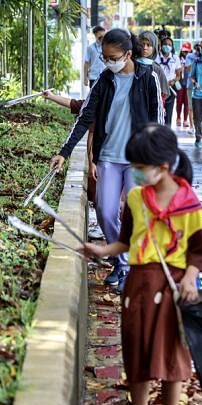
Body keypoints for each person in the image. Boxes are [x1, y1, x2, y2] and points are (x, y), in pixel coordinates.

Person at [81, 125, 202, 405]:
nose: (135, 172)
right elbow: (125, 240)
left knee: (173, 357)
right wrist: (102, 251)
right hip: (138, 285)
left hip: (175, 288)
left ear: (163, 167)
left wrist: (191, 279)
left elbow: (199, 251)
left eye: (140, 166)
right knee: (136, 351)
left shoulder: (190, 204)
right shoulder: (136, 199)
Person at [50, 29, 164, 293]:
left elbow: (158, 119)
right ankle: (122, 262)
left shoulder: (148, 78)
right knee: (104, 210)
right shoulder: (104, 80)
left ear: (128, 54)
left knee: (133, 214)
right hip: (109, 158)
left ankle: (126, 266)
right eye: (104, 57)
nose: (108, 62)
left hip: (138, 161)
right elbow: (85, 117)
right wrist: (64, 152)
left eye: (113, 57)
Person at [137, 30, 171, 103]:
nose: (145, 48)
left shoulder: (156, 68)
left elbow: (164, 94)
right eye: (142, 44)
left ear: (154, 48)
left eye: (149, 45)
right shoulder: (132, 64)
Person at [157, 35, 183, 127]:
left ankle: (167, 134)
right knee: (157, 112)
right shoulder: (156, 57)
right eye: (165, 44)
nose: (167, 46)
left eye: (169, 45)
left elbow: (178, 75)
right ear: (161, 45)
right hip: (158, 89)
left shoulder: (175, 58)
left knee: (168, 113)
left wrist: (173, 81)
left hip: (170, 89)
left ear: (172, 47)